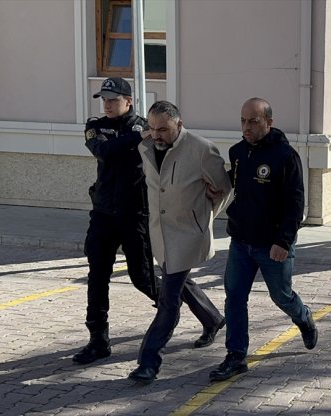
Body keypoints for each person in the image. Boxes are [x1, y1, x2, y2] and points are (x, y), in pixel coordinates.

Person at [209, 98, 317, 382]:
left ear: (269, 122)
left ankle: (303, 316)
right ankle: (236, 356)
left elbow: (295, 204)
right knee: (234, 298)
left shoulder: (285, 156)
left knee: (281, 296)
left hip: (272, 245)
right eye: (243, 120)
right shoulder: (237, 152)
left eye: (253, 121)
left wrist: (283, 241)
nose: (246, 127)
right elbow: (232, 190)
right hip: (240, 243)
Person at [127, 101, 231, 384]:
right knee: (180, 281)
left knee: (168, 298)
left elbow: (224, 188)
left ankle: (148, 361)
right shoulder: (146, 147)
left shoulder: (201, 149)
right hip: (160, 235)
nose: (156, 134)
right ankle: (212, 319)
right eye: (152, 128)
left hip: (187, 236)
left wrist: (206, 215)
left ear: (179, 125)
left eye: (163, 129)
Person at [74, 77, 159, 365]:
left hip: (134, 215)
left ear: (129, 101)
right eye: (104, 100)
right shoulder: (95, 127)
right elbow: (104, 151)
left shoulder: (145, 126)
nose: (107, 105)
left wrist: (142, 135)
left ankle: (196, 311)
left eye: (113, 99)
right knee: (97, 277)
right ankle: (98, 340)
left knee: (143, 279)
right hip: (103, 215)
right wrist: (138, 139)